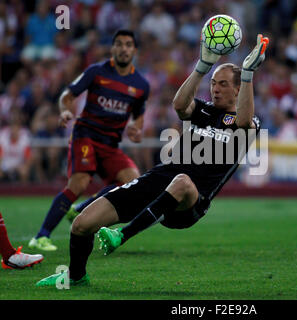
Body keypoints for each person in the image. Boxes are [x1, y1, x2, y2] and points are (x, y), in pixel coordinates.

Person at [35, 33, 269, 287]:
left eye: (223, 84)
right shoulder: (203, 110)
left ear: (238, 89)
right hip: (159, 180)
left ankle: (122, 235)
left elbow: (244, 120)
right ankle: (76, 276)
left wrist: (247, 73)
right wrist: (202, 65)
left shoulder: (248, 122)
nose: (215, 88)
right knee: (82, 225)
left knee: (182, 181)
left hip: (191, 202)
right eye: (213, 83)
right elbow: (179, 105)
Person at [28, 30, 150, 251]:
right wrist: (65, 111)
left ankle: (82, 207)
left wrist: (137, 128)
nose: (124, 48)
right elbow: (68, 95)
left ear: (134, 50)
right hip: (86, 136)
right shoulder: (96, 71)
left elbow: (139, 115)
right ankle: (41, 236)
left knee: (133, 183)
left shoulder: (141, 84)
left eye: (128, 45)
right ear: (112, 49)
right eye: (119, 44)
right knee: (80, 183)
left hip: (111, 145)